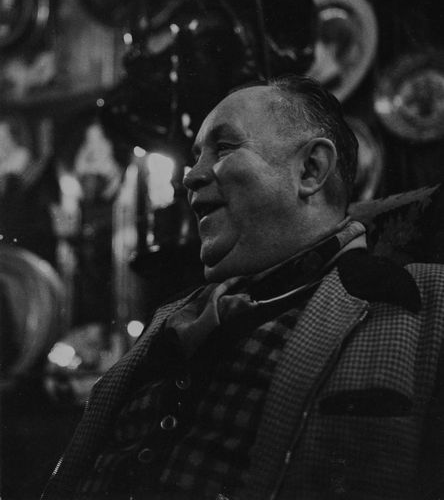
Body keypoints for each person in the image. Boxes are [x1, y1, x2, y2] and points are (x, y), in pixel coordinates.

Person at [42, 76, 444, 500]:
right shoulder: (177, 317)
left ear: (310, 170)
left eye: (225, 148)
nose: (190, 177)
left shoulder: (421, 304)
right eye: (196, 156)